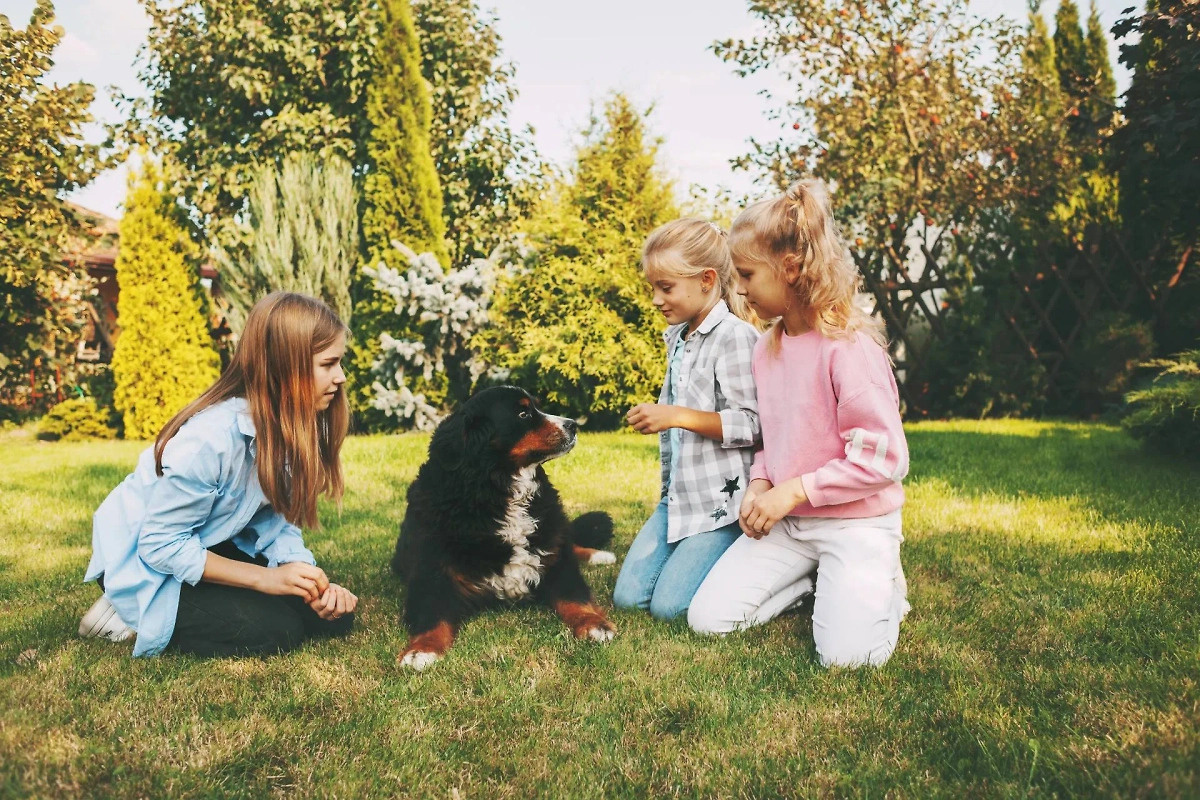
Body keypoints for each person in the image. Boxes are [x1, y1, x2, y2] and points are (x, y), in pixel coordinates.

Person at [688, 180, 911, 668]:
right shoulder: (767, 350)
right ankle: (814, 582)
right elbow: (773, 435)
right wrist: (762, 482)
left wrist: (792, 491)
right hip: (791, 524)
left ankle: (884, 586)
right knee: (708, 620)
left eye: (746, 274)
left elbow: (885, 460)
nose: (738, 289)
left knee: (849, 659)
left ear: (790, 270)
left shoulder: (849, 349)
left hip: (857, 523)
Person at [79, 292, 358, 657]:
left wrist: (305, 576)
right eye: (329, 364)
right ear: (283, 368)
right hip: (142, 556)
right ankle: (128, 610)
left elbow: (275, 521)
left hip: (202, 538)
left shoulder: (289, 429)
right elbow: (160, 545)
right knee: (273, 631)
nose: (341, 377)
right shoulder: (210, 441)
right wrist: (266, 578)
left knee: (330, 618)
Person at [613, 218, 761, 620]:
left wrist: (677, 416)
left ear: (707, 280)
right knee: (628, 599)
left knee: (670, 607)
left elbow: (752, 424)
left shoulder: (734, 337)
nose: (657, 300)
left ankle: (768, 572)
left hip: (721, 506)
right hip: (679, 500)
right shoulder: (678, 338)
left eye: (666, 287)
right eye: (653, 288)